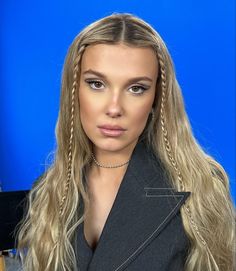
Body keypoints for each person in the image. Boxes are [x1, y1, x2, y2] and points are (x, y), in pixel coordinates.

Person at [16, 13, 235, 271]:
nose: (114, 108)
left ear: (157, 98)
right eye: (96, 84)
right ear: (74, 91)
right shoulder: (48, 191)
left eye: (136, 88)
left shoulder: (201, 187)